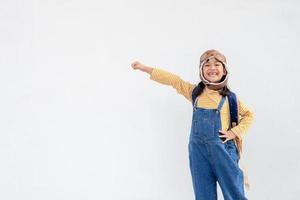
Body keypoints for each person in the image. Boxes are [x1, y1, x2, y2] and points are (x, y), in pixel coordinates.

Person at [131, 49, 254, 200]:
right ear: (201, 71)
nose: (212, 68)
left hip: (223, 152)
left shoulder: (230, 99)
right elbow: (174, 80)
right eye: (207, 65)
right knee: (203, 195)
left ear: (224, 71)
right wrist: (145, 68)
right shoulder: (195, 93)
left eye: (217, 64)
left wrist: (234, 132)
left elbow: (249, 115)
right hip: (198, 153)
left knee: (234, 193)